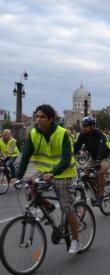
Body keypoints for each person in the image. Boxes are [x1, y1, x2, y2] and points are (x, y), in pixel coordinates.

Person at [16, 104, 81, 254]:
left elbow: (66, 158)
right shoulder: (34, 133)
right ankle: (49, 207)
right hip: (44, 172)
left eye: (42, 117)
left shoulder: (62, 133)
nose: (38, 119)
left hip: (63, 172)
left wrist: (53, 172)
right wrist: (17, 177)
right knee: (30, 190)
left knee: (66, 207)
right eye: (37, 116)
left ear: (51, 119)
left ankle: (76, 240)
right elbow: (25, 156)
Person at [74, 116, 110, 206]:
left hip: (104, 157)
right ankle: (95, 191)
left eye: (86, 126)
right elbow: (77, 146)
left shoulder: (99, 135)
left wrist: (98, 161)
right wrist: (70, 156)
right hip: (93, 158)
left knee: (101, 173)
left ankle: (101, 196)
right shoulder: (83, 135)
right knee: (84, 175)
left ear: (92, 126)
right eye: (83, 125)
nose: (84, 127)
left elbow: (101, 148)